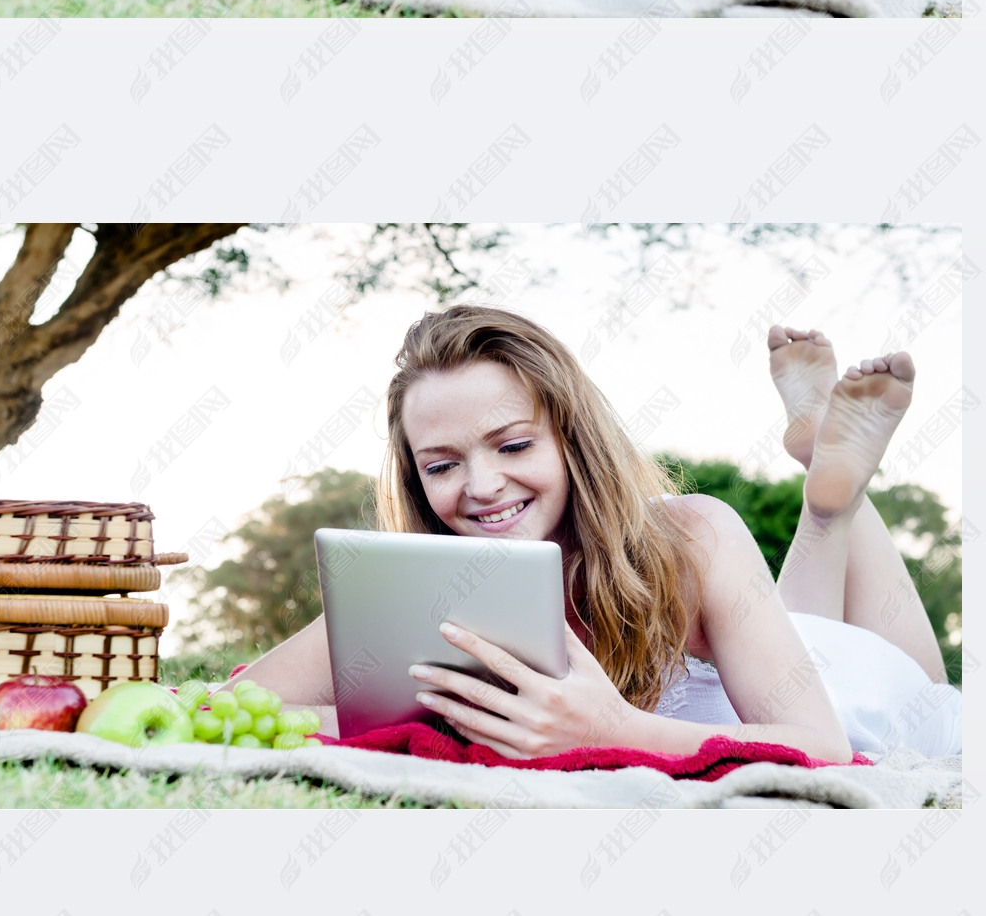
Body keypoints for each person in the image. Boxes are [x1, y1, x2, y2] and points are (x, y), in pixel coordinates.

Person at [235, 307, 961, 762]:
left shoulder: (694, 533)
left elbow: (824, 746)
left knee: (923, 689)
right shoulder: (423, 586)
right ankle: (827, 490)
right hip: (766, 657)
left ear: (572, 442)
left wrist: (619, 729)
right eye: (443, 464)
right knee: (795, 626)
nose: (481, 486)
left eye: (514, 446)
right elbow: (230, 705)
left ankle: (832, 491)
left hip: (854, 691)